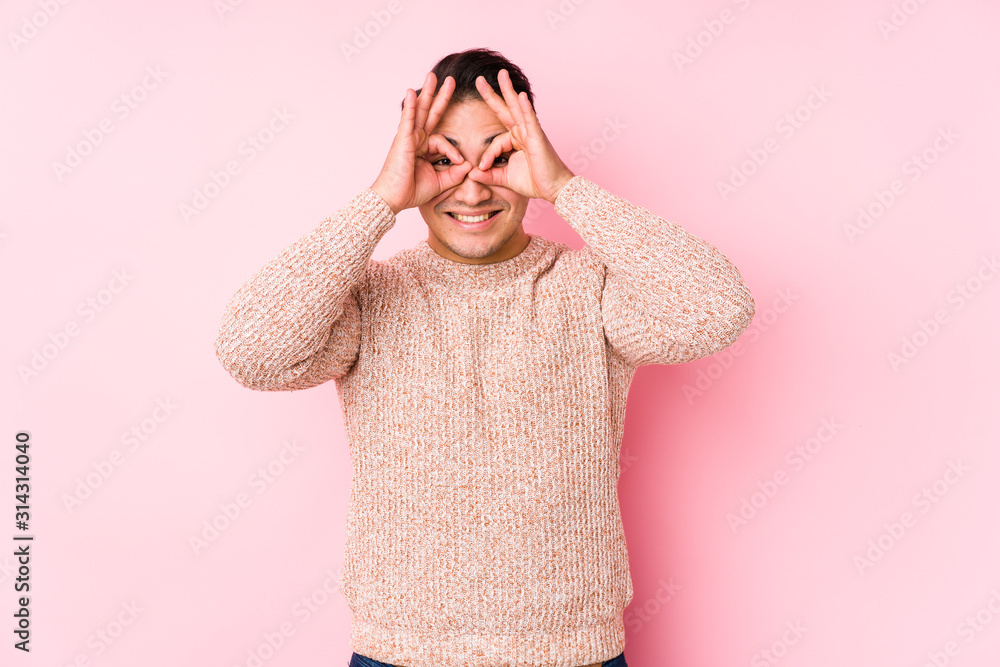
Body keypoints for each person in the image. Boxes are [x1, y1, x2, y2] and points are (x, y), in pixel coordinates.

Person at [214, 47, 755, 667]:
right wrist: (379, 202)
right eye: (442, 159)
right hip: (399, 655)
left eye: (499, 157)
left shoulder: (593, 291)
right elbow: (250, 349)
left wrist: (565, 187)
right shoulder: (369, 299)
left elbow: (716, 307)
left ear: (531, 153)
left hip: (573, 655)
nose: (471, 187)